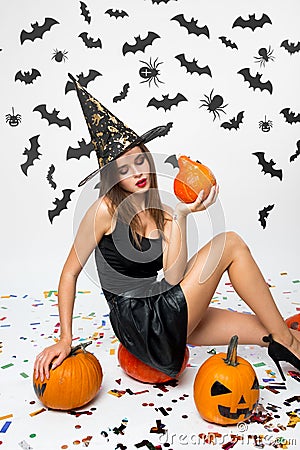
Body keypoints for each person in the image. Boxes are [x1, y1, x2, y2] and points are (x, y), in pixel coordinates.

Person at [34, 75, 300, 383]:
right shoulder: (104, 210)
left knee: (266, 329)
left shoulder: (159, 209)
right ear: (113, 177)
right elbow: (69, 273)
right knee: (231, 243)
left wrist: (181, 217)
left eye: (139, 161)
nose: (137, 172)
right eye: (124, 169)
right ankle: (289, 342)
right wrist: (65, 338)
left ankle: (284, 342)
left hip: (164, 306)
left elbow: (173, 277)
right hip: (141, 322)